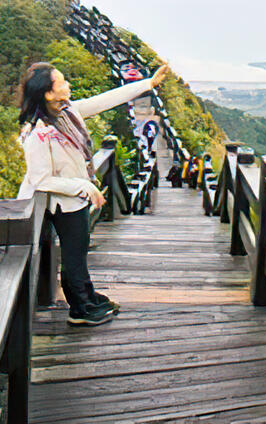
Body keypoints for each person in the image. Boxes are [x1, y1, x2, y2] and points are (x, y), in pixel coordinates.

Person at [18, 59, 170, 326]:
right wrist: (85, 187)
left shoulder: (67, 112)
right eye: (61, 81)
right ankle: (80, 310)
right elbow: (40, 179)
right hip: (62, 203)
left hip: (74, 199)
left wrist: (149, 84)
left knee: (80, 251)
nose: (68, 84)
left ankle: (87, 295)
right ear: (48, 93)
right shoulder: (39, 133)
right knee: (74, 256)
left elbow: (106, 99)